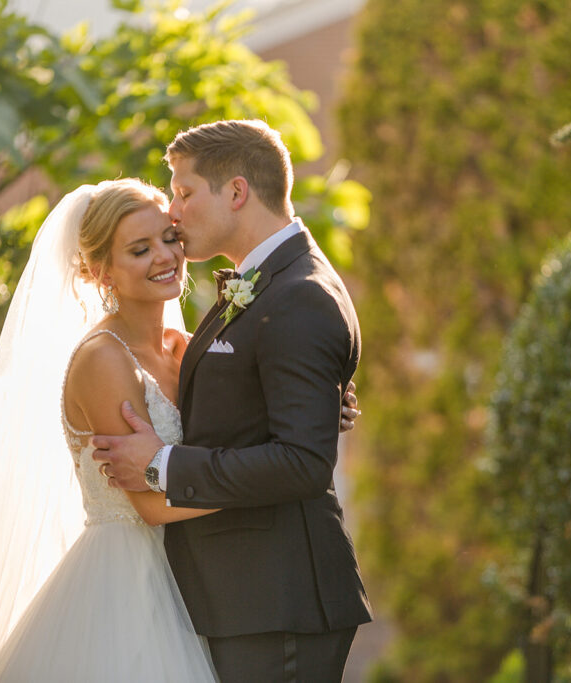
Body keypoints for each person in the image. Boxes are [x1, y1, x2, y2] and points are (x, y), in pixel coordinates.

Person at [0, 176, 360, 681]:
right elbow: (152, 505)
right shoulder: (103, 360)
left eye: (169, 239)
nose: (165, 256)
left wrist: (312, 411)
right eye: (139, 250)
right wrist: (281, 467)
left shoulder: (188, 346)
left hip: (205, 581)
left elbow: (239, 423)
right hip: (130, 589)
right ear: (100, 272)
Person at [93, 119, 372, 682]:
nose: (174, 211)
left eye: (185, 192)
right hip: (244, 597)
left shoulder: (298, 295)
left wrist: (160, 463)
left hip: (276, 600)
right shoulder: (266, 281)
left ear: (237, 192)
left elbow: (302, 462)